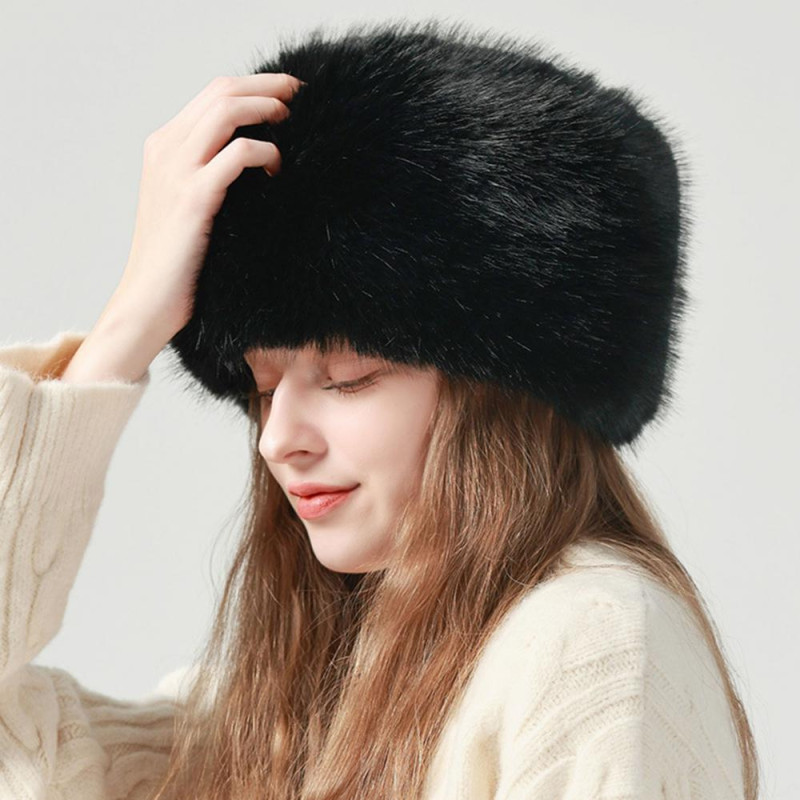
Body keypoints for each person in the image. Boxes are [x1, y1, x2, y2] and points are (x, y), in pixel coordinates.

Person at [0, 17, 760, 800]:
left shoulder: (589, 643)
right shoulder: (287, 707)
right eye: (263, 389)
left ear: (503, 396)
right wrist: (127, 326)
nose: (277, 441)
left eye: (348, 376)